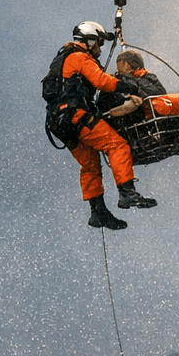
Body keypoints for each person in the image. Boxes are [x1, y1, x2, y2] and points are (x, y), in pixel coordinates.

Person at [43, 21, 157, 229]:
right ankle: (127, 193)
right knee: (117, 145)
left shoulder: (62, 59)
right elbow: (102, 81)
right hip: (76, 116)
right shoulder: (79, 57)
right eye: (99, 43)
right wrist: (129, 87)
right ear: (90, 41)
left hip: (58, 123)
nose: (100, 48)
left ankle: (98, 212)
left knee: (90, 165)